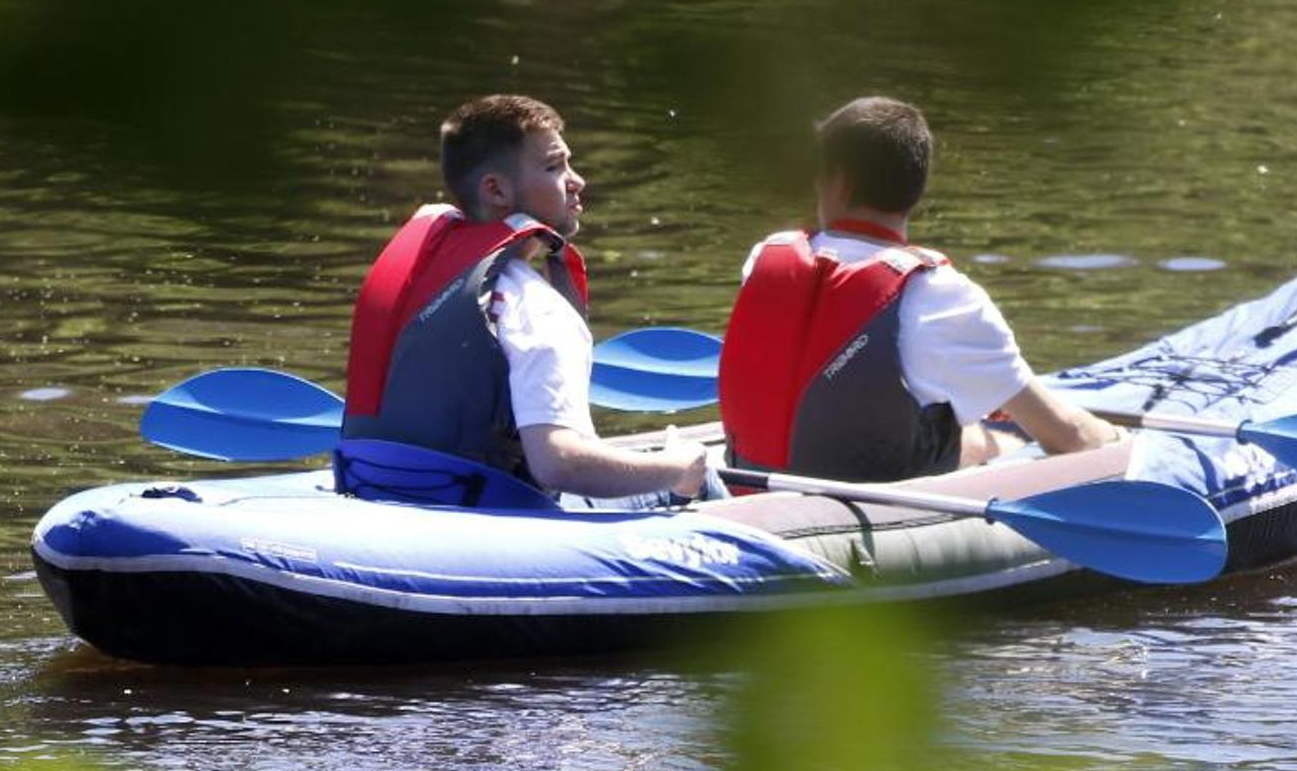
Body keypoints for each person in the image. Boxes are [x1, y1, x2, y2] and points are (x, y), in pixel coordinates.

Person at [717, 96, 1121, 486]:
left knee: (963, 431)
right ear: (918, 186)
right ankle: (995, 440)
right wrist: (1119, 439)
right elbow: (1070, 438)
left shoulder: (763, 259)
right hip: (870, 496)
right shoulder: (943, 298)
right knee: (992, 437)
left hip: (749, 479)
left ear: (838, 181)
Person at [342, 94, 712, 504]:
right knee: (703, 476)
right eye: (555, 167)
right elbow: (558, 465)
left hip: (380, 487)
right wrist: (679, 467)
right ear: (496, 190)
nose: (577, 180)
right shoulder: (536, 308)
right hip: (489, 514)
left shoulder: (420, 280)